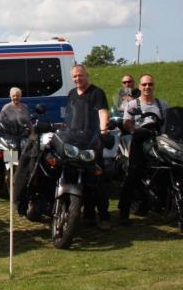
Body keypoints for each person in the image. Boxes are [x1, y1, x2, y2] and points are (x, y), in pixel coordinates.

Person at [65, 64, 111, 230]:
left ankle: (104, 216)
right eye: (75, 76)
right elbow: (69, 116)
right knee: (75, 178)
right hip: (74, 141)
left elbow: (102, 111)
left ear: (87, 75)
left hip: (93, 141)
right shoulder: (71, 94)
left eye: (80, 75)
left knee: (96, 180)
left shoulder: (97, 93)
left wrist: (103, 129)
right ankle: (87, 215)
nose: (78, 78)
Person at [118, 74, 167, 225]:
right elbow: (127, 122)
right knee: (133, 174)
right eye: (144, 84)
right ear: (139, 87)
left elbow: (169, 123)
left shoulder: (162, 104)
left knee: (167, 169)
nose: (147, 87)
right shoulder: (132, 105)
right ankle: (124, 211)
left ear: (154, 86)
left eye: (150, 84)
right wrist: (135, 129)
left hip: (159, 142)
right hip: (140, 141)